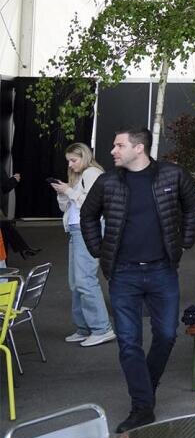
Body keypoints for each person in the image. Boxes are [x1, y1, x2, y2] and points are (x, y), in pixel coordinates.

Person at [81, 128, 195, 432]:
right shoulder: (108, 182)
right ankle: (142, 406)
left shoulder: (172, 175)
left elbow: (192, 205)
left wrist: (186, 240)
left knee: (167, 334)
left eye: (119, 145)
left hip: (162, 270)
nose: (112, 151)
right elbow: (87, 215)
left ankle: (145, 386)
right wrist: (99, 249)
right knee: (129, 343)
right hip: (123, 274)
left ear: (139, 148)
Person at [50, 143, 113, 347]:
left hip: (88, 230)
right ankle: (84, 328)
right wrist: (63, 193)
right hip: (77, 231)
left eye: (73, 160)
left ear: (84, 157)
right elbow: (69, 207)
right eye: (68, 160)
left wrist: (69, 191)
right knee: (75, 282)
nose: (70, 164)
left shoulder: (92, 172)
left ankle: (102, 329)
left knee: (84, 280)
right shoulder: (78, 175)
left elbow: (94, 204)